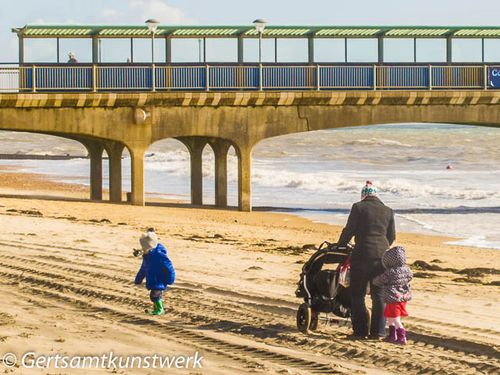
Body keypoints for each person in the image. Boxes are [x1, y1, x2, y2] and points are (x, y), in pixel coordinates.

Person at [337, 181, 395, 339]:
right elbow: (391, 237)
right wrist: (382, 248)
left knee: (357, 294)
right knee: (379, 295)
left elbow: (349, 229)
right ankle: (378, 332)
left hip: (362, 256)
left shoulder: (358, 207)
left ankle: (360, 332)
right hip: (382, 258)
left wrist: (340, 245)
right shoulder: (388, 211)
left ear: (363, 196)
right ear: (377, 195)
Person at [373, 246, 412, 345]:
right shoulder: (407, 269)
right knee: (390, 317)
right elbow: (410, 276)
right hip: (402, 297)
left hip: (393, 298)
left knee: (395, 318)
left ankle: (402, 336)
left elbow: (381, 280)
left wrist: (374, 281)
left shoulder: (390, 272)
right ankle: (392, 335)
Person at [134, 229, 175, 315]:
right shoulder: (147, 256)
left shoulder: (159, 255)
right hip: (153, 279)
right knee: (155, 295)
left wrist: (171, 279)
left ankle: (160, 309)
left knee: (154, 296)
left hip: (160, 279)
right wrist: (138, 279)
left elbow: (169, 266)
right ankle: (156, 309)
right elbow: (143, 268)